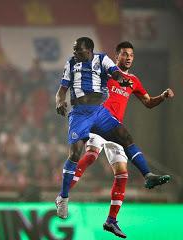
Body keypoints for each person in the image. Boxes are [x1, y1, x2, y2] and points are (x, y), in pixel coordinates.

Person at [54, 37, 163, 237]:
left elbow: (146, 100)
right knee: (81, 154)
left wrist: (161, 96)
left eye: (131, 55)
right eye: (124, 54)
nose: (76, 53)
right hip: (81, 113)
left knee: (123, 169)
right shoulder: (72, 63)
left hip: (102, 116)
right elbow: (62, 89)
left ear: (90, 50)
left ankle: (143, 181)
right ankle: (63, 195)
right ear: (117, 55)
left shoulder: (114, 68)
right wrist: (60, 100)